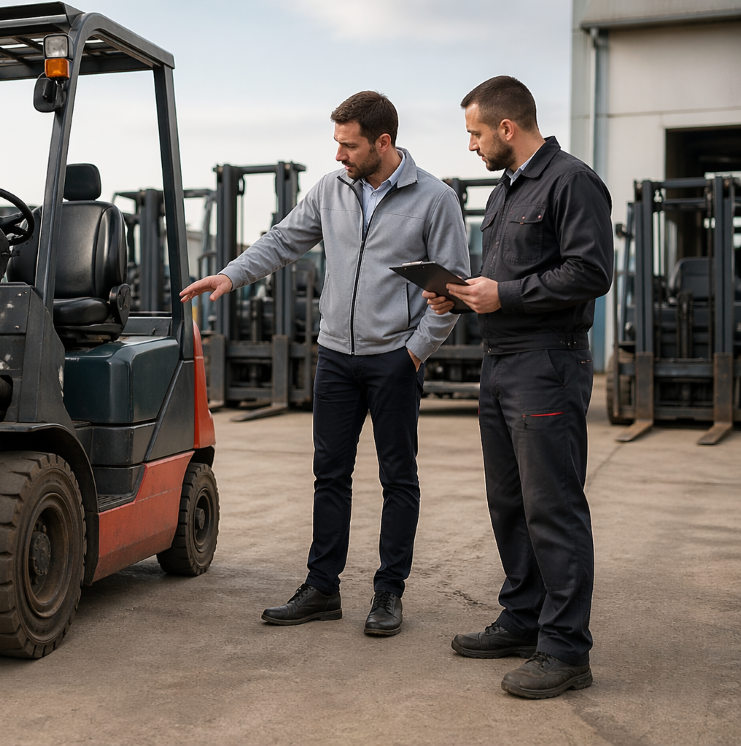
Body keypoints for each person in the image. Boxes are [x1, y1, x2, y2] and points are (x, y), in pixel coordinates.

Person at [180, 91, 469, 636]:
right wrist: (231, 275)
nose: (339, 154)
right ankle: (322, 587)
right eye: (336, 143)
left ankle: (388, 593)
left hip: (393, 359)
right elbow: (285, 240)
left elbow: (450, 288)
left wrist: (415, 352)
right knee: (329, 474)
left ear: (383, 142)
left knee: (397, 478)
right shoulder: (331, 189)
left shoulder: (435, 199)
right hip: (336, 356)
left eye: (349, 144)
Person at [424, 76, 613, 698]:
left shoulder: (571, 181)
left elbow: (589, 271)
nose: (472, 145)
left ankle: (565, 650)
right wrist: (460, 291)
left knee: (551, 505)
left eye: (476, 133)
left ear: (507, 128)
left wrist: (504, 295)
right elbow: (502, 273)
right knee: (508, 501)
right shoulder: (505, 191)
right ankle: (525, 617)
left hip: (545, 363)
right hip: (500, 359)